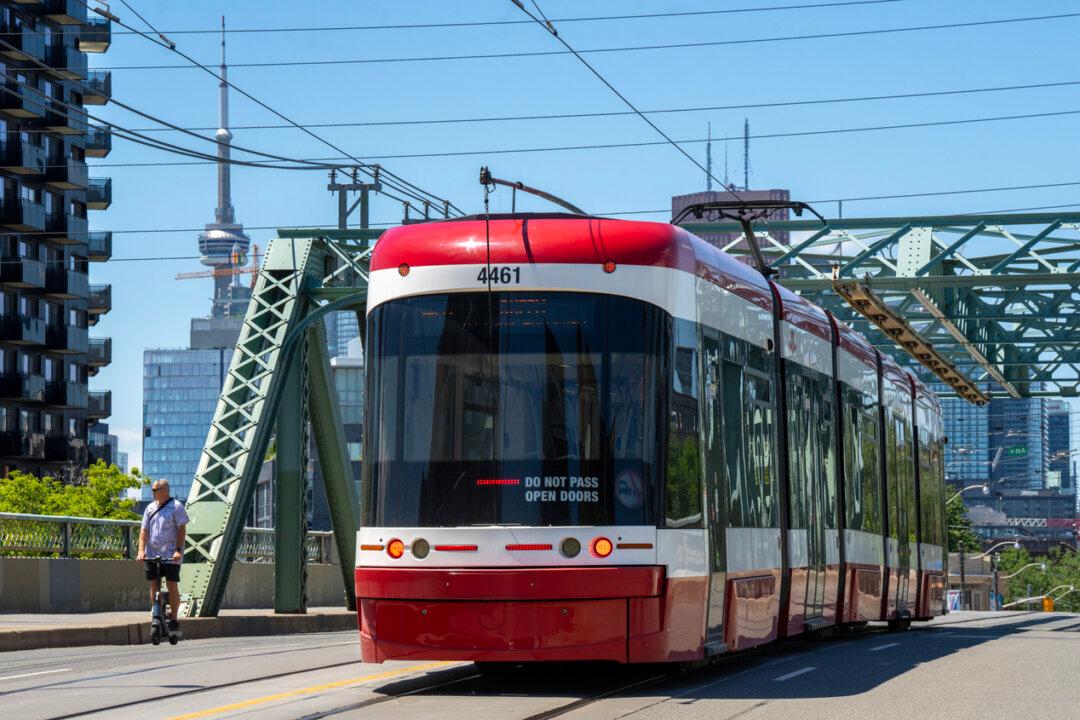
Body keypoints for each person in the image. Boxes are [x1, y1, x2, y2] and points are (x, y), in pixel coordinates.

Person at [136, 479, 189, 631]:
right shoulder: (150, 508)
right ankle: (156, 614)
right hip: (152, 553)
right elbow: (144, 531)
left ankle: (174, 619)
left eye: (155, 490)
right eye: (152, 490)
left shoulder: (176, 507)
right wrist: (141, 551)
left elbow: (181, 529)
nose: (152, 493)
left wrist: (178, 550)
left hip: (171, 555)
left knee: (171, 585)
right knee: (154, 584)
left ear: (165, 490)